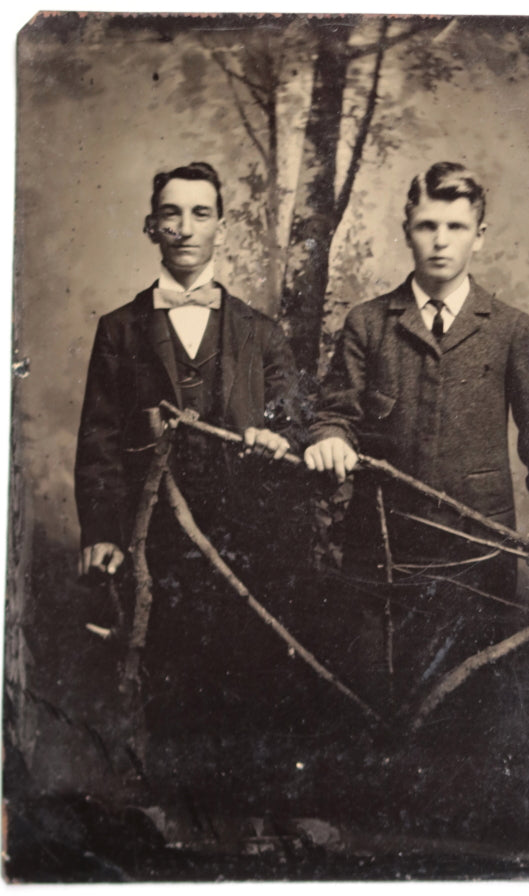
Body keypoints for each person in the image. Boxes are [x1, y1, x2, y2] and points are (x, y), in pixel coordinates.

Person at [303, 161, 529, 720]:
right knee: (371, 710)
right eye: (427, 225)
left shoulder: (508, 328)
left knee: (472, 714)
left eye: (456, 227)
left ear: (480, 235)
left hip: (478, 558)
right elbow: (334, 413)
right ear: (407, 230)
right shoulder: (368, 324)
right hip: (382, 557)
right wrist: (330, 438)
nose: (440, 240)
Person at [75, 162, 306, 805]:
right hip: (156, 542)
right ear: (152, 226)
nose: (184, 227)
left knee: (245, 677)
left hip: (243, 545)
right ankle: (173, 821)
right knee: (166, 677)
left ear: (221, 228)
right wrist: (101, 532)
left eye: (200, 213)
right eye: (170, 214)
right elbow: (98, 441)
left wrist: (280, 442)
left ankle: (242, 818)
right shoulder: (119, 329)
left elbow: (295, 423)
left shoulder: (261, 332)